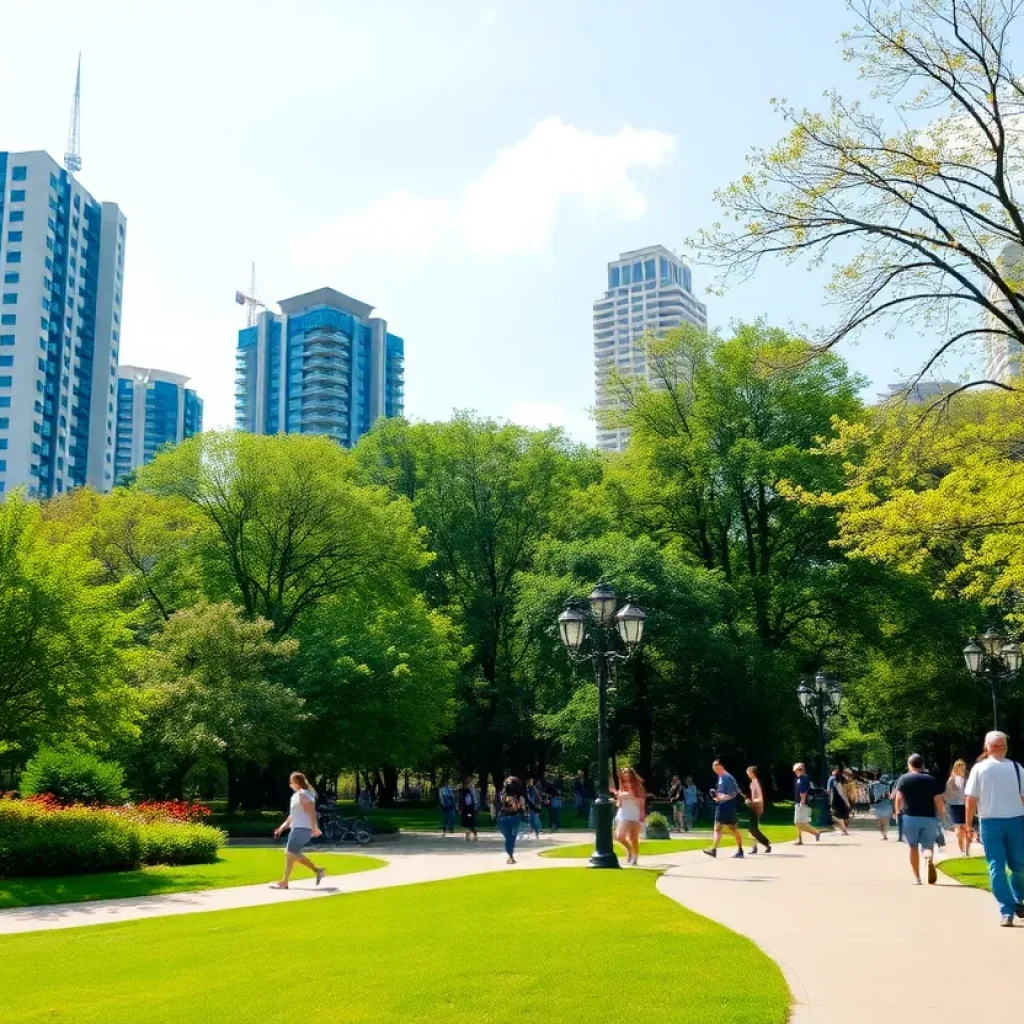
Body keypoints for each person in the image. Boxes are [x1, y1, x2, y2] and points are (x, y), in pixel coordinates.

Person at [964, 731, 1024, 926]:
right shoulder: (981, 769)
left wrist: (968, 824)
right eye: (998, 745)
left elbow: (971, 800)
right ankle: (1008, 908)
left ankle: (1015, 902)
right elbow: (970, 799)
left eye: (1003, 745)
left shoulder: (1016, 768)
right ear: (988, 747)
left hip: (1009, 820)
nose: (1000, 749)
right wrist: (968, 824)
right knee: (1000, 867)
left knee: (1014, 867)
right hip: (995, 822)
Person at [894, 753, 944, 886]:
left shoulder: (904, 779)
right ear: (922, 765)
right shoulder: (931, 780)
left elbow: (899, 797)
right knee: (928, 845)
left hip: (910, 817)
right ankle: (928, 858)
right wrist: (941, 814)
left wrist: (897, 812)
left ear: (909, 765)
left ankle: (917, 878)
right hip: (929, 818)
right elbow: (938, 800)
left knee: (912, 846)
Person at [270, 771, 326, 890]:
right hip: (297, 828)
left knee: (290, 853)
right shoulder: (296, 795)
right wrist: (282, 827)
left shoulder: (303, 794)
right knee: (292, 854)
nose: (290, 783)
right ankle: (318, 870)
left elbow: (311, 811)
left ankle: (285, 882)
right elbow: (292, 815)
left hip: (303, 828)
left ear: (296, 782)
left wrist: (315, 828)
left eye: (291, 781)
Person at [703, 759, 745, 859]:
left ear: (721, 766)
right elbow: (727, 792)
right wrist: (716, 795)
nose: (715, 770)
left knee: (717, 828)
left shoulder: (727, 778)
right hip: (727, 806)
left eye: (716, 768)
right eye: (714, 769)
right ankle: (740, 850)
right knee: (732, 829)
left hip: (725, 806)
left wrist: (720, 798)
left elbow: (731, 794)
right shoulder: (722, 777)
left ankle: (714, 850)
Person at [610, 767, 646, 866]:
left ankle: (635, 858)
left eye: (629, 778)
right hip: (623, 814)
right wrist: (618, 798)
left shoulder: (639, 787)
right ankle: (629, 850)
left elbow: (642, 802)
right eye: (624, 778)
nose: (627, 781)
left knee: (633, 838)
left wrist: (631, 797)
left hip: (635, 814)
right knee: (618, 836)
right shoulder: (622, 788)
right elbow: (619, 804)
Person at [497, 776, 525, 864]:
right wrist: (520, 806)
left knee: (511, 838)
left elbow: (517, 808)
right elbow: (513, 809)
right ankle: (510, 856)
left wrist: (520, 806)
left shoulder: (512, 795)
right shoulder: (508, 796)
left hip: (510, 819)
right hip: (506, 819)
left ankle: (510, 856)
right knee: (510, 837)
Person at [945, 759, 970, 856]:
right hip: (955, 805)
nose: (962, 768)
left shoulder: (967, 779)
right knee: (959, 829)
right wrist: (953, 791)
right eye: (960, 766)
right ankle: (962, 850)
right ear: (956, 767)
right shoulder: (952, 779)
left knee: (967, 827)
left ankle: (967, 850)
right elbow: (947, 794)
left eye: (963, 766)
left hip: (966, 805)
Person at [745, 766, 772, 854]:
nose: (748, 775)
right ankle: (755, 847)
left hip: (757, 807)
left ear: (752, 773)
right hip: (754, 806)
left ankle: (766, 843)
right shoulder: (753, 782)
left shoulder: (756, 782)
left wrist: (751, 801)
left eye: (748, 773)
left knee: (753, 828)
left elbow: (760, 798)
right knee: (751, 828)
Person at [792, 763, 821, 845]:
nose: (794, 771)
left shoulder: (803, 777)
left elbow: (803, 791)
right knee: (800, 822)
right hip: (798, 802)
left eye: (795, 769)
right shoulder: (798, 778)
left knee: (798, 822)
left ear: (799, 769)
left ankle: (816, 832)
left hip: (802, 803)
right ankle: (800, 839)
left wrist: (802, 802)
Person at [827, 767, 851, 836]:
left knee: (837, 816)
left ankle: (844, 830)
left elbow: (829, 791)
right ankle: (844, 830)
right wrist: (847, 801)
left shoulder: (832, 779)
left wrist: (830, 801)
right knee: (843, 816)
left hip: (836, 800)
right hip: (843, 800)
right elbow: (845, 792)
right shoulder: (844, 780)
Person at [869, 774, 893, 840]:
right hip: (877, 806)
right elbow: (871, 796)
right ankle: (884, 834)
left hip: (886, 805)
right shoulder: (873, 785)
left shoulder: (890, 785)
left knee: (883, 823)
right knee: (879, 824)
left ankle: (884, 835)